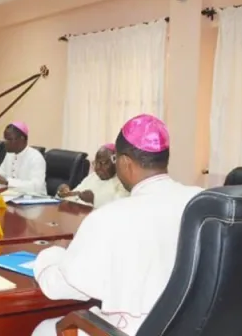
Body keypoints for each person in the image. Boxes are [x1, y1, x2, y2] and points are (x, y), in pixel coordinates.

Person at [32, 114, 203, 336]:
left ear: (123, 162)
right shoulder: (202, 202)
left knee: (43, 330)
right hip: (192, 327)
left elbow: (62, 287)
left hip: (130, 330)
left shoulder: (110, 217)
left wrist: (48, 257)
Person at [0, 122, 46, 195]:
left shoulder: (36, 157)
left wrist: (7, 182)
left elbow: (36, 187)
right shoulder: (10, 154)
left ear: (22, 139)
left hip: (36, 200)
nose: (5, 142)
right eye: (5, 139)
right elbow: (1, 172)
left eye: (9, 139)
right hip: (14, 197)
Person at [56, 143, 129, 208]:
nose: (97, 168)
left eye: (102, 163)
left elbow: (118, 208)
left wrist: (94, 200)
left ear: (115, 162)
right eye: (96, 163)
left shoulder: (123, 182)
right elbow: (73, 196)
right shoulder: (93, 177)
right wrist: (63, 194)